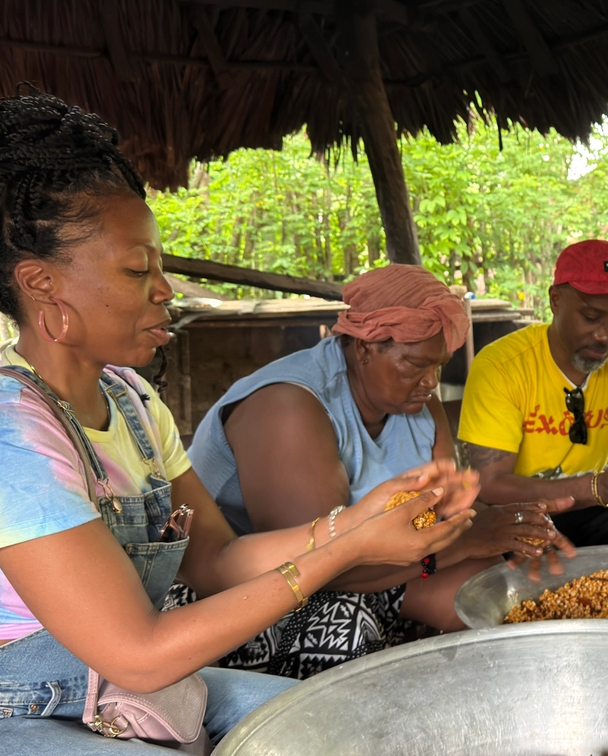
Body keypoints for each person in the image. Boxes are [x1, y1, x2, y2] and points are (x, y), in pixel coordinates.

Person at [0, 93, 477, 756]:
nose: (165, 289)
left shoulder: (132, 405)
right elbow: (138, 655)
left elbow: (215, 560)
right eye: (138, 272)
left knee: (345, 730)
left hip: (85, 697)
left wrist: (357, 520)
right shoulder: (1, 435)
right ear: (43, 286)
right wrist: (344, 551)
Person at [182, 264, 572, 678]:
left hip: (382, 565)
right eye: (416, 365)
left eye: (439, 366)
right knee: (348, 625)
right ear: (365, 348)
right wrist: (461, 543)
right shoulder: (287, 408)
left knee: (499, 587)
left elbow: (442, 518)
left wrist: (514, 530)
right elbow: (321, 567)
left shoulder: (416, 403)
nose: (431, 382)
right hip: (260, 592)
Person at [459, 239, 608, 545]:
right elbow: (490, 487)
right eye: (591, 317)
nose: (607, 335)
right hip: (519, 513)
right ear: (555, 300)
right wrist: (597, 487)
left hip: (591, 508)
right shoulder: (502, 365)